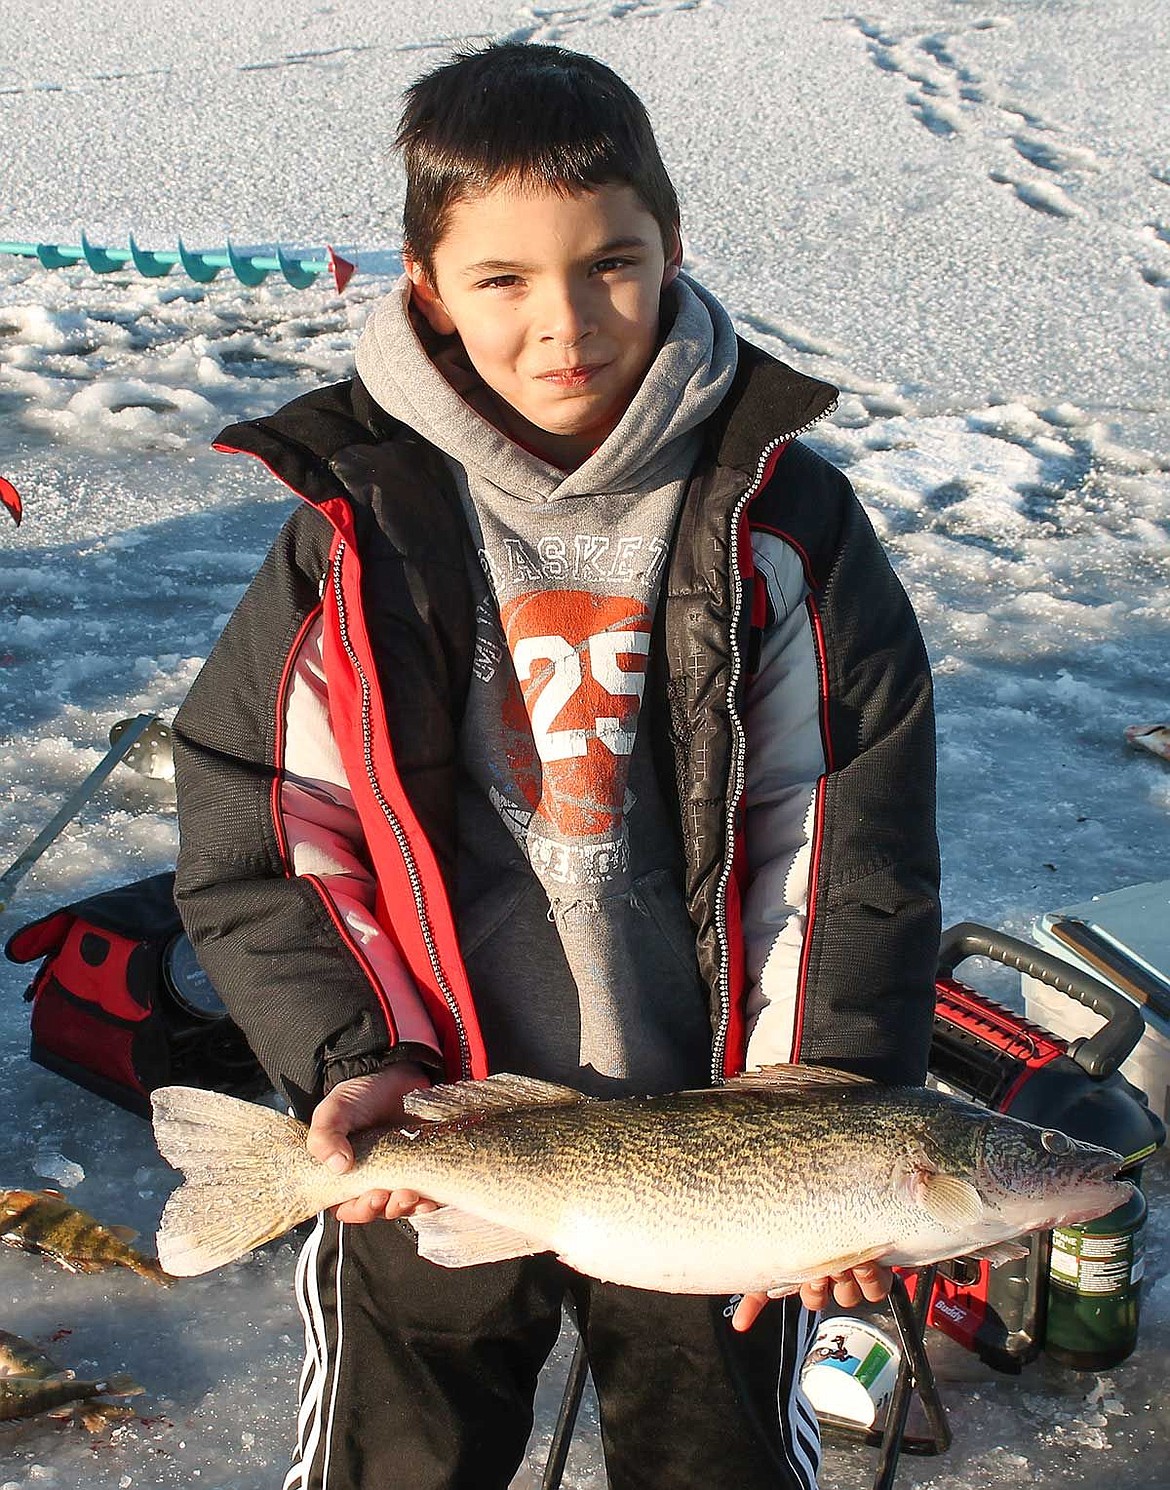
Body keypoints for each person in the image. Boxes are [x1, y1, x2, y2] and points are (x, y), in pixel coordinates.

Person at [172, 40, 940, 1490]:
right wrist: (359, 1062)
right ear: (426, 288)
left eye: (610, 263)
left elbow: (841, 837)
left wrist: (828, 1111)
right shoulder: (358, 525)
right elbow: (268, 821)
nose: (566, 321)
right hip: (440, 1122)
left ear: (669, 250)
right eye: (505, 279)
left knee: (712, 1464)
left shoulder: (780, 520)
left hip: (714, 1141)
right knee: (397, 1462)